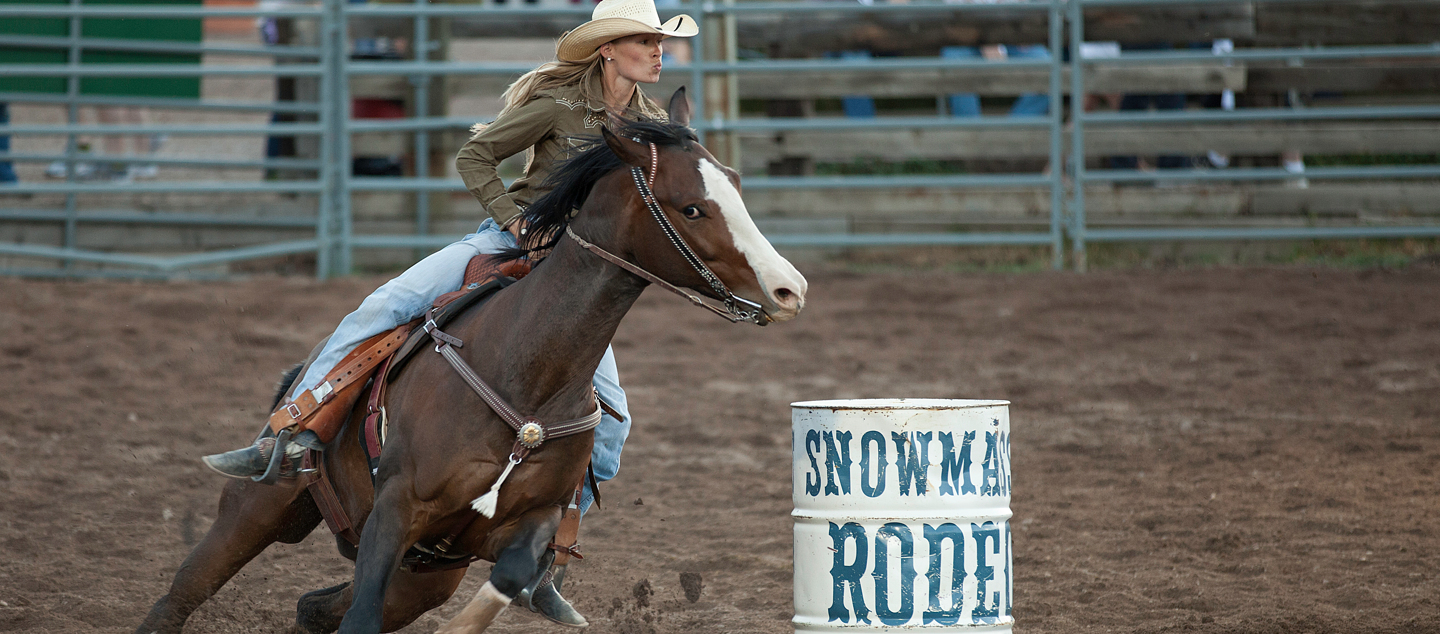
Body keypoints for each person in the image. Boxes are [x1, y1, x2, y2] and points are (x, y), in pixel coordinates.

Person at [201, 0, 696, 625]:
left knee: (612, 428)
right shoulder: (558, 106)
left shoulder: (650, 126)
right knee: (383, 309)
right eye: (646, 41)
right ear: (608, 49)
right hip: (504, 243)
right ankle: (283, 436)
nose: (659, 51)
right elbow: (476, 156)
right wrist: (516, 219)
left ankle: (547, 560)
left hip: (573, 283)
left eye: (660, 42)